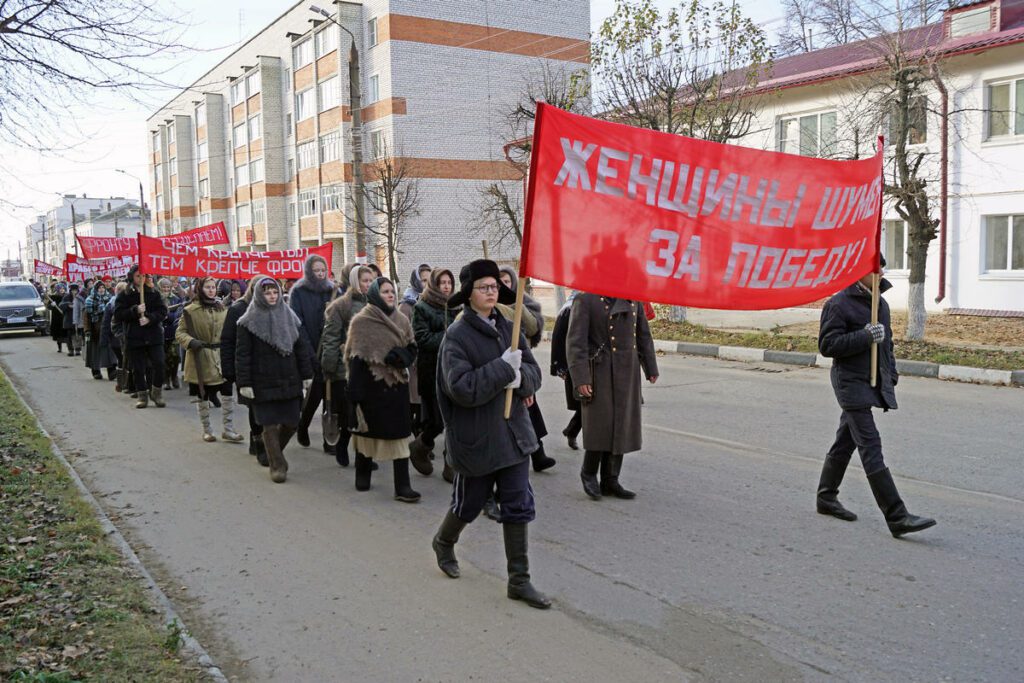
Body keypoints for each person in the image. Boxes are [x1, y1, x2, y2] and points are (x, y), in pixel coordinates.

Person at [431, 259, 550, 609]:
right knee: (468, 504)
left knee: (517, 505)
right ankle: (443, 541)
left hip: (513, 434)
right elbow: (461, 388)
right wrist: (502, 369)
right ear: (468, 295)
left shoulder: (507, 328)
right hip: (477, 437)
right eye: (484, 287)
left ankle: (519, 581)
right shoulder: (456, 337)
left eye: (495, 286)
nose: (492, 291)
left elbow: (534, 372)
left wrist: (520, 377)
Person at [816, 257, 936, 538]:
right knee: (871, 444)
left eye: (882, 268)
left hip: (869, 381)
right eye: (876, 268)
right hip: (849, 383)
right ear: (860, 272)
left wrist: (890, 373)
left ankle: (825, 497)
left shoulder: (878, 303)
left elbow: (887, 343)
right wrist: (864, 336)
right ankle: (897, 516)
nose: (882, 272)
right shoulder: (838, 304)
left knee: (846, 441)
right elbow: (827, 345)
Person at [567, 293, 659, 500]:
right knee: (600, 424)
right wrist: (581, 378)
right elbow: (576, 343)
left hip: (627, 369)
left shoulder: (634, 299)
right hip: (599, 370)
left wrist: (650, 366)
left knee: (622, 425)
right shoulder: (585, 300)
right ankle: (589, 473)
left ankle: (611, 479)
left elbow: (643, 334)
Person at [344, 277, 420, 502]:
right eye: (386, 291)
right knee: (366, 434)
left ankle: (402, 486)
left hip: (396, 386)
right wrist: (354, 394)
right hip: (370, 388)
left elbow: (412, 346)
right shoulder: (361, 321)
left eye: (392, 292)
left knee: (399, 437)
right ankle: (363, 473)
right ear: (376, 294)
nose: (390, 295)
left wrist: (402, 356)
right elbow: (354, 358)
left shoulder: (402, 319)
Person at [236, 276, 314, 483]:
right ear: (259, 295)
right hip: (262, 381)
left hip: (289, 378)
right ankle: (277, 465)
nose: (271, 296)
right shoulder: (247, 322)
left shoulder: (290, 317)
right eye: (267, 292)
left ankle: (273, 453)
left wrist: (307, 375)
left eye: (274, 292)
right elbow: (243, 355)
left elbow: (301, 349)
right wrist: (244, 383)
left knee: (291, 423)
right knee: (268, 425)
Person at [498, 266, 556, 473]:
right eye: (500, 282)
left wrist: (517, 303)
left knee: (530, 409)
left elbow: (532, 328)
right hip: (502, 363)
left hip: (522, 364)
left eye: (507, 282)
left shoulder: (522, 303)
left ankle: (538, 454)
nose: (503, 286)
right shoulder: (493, 307)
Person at [320, 264, 374, 468]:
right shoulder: (341, 306)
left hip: (372, 366)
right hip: (347, 367)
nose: (368, 284)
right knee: (349, 412)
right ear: (354, 282)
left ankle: (364, 454)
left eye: (370, 280)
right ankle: (343, 444)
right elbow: (331, 337)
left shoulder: (375, 304)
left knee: (368, 412)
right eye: (364, 281)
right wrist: (330, 366)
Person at [177, 277, 244, 444]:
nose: (211, 290)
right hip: (201, 357)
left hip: (222, 357)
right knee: (203, 395)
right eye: (207, 287)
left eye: (213, 287)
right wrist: (191, 342)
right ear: (201, 289)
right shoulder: (190, 310)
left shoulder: (223, 309)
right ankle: (207, 430)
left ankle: (228, 429)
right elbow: (180, 333)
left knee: (228, 392)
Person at [410, 267, 459, 481]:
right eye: (442, 283)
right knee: (437, 422)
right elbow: (423, 339)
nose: (446, 286)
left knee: (455, 421)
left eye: (449, 282)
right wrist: (450, 333)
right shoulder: (422, 307)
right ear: (434, 285)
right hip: (431, 371)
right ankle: (420, 446)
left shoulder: (457, 306)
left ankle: (451, 464)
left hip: (455, 370)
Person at [289, 254, 336, 454]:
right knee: (315, 394)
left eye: (322, 270)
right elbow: (297, 324)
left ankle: (328, 439)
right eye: (316, 270)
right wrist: (310, 353)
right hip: (309, 350)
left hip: (330, 349)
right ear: (309, 271)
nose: (319, 274)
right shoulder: (298, 291)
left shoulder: (332, 290)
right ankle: (303, 424)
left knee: (330, 395)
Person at [222, 275, 268, 465]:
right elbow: (227, 341)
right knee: (255, 405)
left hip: (269, 367)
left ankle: (266, 439)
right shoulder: (238, 309)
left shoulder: (273, 308)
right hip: (248, 366)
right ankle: (258, 440)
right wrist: (229, 371)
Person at [114, 266, 169, 409]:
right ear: (132, 276)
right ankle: (142, 395)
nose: (141, 279)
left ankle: (156, 392)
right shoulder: (125, 295)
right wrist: (135, 311)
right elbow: (118, 314)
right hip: (135, 336)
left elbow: (162, 311)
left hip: (153, 336)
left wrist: (150, 318)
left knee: (159, 363)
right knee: (138, 368)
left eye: (143, 276)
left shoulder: (153, 293)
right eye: (138, 276)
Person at [399, 264, 431, 435]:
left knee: (426, 402)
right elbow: (402, 334)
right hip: (414, 361)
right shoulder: (407, 306)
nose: (427, 284)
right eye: (423, 280)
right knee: (416, 400)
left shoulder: (434, 302)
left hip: (430, 359)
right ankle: (417, 435)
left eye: (429, 280)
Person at [550, 291, 581, 450]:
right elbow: (558, 339)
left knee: (591, 403)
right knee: (585, 403)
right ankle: (572, 431)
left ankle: (571, 430)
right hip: (573, 364)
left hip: (594, 362)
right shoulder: (568, 310)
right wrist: (559, 366)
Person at [84, 281, 114, 380]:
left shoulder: (109, 299)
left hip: (107, 330)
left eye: (103, 288)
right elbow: (86, 317)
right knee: (95, 353)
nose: (101, 290)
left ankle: (112, 371)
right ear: (95, 290)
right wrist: (87, 329)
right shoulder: (89, 300)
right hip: (94, 330)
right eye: (99, 288)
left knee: (110, 352)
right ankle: (96, 371)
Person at [159, 278, 184, 390]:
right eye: (164, 287)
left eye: (168, 287)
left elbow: (178, 315)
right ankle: (166, 379)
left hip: (173, 331)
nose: (166, 289)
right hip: (161, 333)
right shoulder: (157, 299)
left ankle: (174, 377)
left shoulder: (176, 299)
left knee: (175, 356)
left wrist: (167, 316)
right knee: (163, 357)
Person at [102, 283, 126, 388]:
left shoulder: (111, 303)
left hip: (117, 336)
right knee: (123, 359)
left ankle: (122, 383)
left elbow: (105, 324)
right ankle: (123, 383)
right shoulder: (112, 304)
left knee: (122, 360)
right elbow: (107, 323)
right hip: (118, 336)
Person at [46, 283, 68, 353]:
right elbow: (48, 307)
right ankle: (59, 347)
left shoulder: (67, 296)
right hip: (57, 317)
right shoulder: (53, 297)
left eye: (63, 289)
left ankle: (69, 347)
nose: (62, 290)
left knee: (67, 332)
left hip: (65, 316)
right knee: (58, 333)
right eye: (60, 289)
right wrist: (52, 305)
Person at [60, 284, 80, 356]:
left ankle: (77, 349)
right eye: (73, 290)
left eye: (76, 290)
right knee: (69, 335)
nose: (74, 292)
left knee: (77, 335)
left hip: (78, 319)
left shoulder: (79, 297)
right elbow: (61, 305)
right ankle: (70, 350)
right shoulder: (67, 297)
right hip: (69, 319)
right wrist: (68, 304)